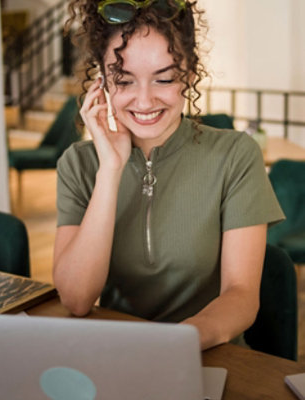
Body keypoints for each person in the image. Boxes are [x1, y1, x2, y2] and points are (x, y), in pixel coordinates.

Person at [53, 0, 284, 350]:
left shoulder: (235, 155)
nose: (144, 102)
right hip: (118, 354)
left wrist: (174, 345)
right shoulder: (78, 164)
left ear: (189, 75)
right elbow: (76, 298)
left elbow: (241, 296)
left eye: (164, 79)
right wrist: (110, 171)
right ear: (101, 81)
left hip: (209, 356)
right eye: (124, 80)